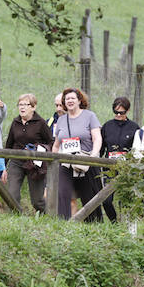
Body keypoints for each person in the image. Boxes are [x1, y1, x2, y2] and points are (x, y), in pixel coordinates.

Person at [51, 88, 105, 221]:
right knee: (63, 193)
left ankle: (93, 226)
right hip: (66, 162)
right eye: (67, 99)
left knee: (89, 197)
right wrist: (54, 162)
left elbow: (97, 138)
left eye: (72, 98)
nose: (69, 101)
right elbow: (57, 145)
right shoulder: (62, 120)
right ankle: (63, 224)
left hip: (86, 160)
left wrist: (93, 156)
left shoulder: (89, 116)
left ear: (79, 100)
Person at [5, 93, 53, 213]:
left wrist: (40, 150)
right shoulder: (15, 122)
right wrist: (4, 166)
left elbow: (51, 142)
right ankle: (15, 219)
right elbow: (9, 144)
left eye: (25, 105)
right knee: (11, 194)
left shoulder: (41, 123)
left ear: (33, 107)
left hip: (34, 164)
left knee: (37, 201)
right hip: (16, 162)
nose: (22, 107)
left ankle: (48, 217)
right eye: (20, 105)